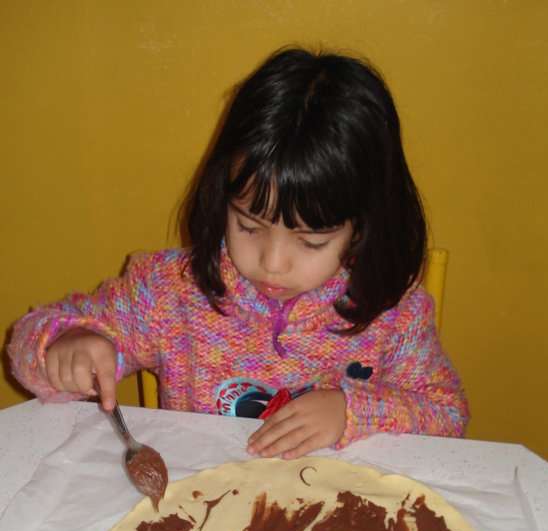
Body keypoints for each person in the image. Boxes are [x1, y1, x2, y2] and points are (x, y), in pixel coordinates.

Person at [8, 47, 469, 459]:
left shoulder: (393, 311)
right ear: (221, 196)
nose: (272, 262)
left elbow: (447, 414)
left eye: (310, 241)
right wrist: (65, 346)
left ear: (361, 227)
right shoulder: (170, 293)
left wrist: (352, 411)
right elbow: (31, 347)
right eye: (249, 225)